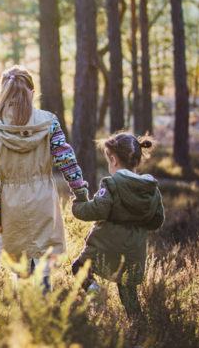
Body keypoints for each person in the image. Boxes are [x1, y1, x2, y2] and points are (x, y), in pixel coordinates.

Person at [0, 66, 86, 291]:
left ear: (3, 92)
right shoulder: (48, 122)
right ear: (32, 92)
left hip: (12, 206)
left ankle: (25, 316)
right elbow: (67, 160)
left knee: (21, 269)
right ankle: (42, 315)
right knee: (43, 267)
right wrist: (80, 192)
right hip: (44, 201)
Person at [70, 132, 165, 321]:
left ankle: (96, 295)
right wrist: (138, 220)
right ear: (138, 163)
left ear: (112, 160)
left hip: (107, 245)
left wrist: (77, 205)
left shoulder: (112, 184)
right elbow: (157, 221)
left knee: (79, 268)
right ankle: (137, 324)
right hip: (134, 251)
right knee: (128, 289)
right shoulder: (151, 190)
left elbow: (96, 210)